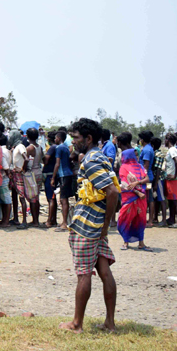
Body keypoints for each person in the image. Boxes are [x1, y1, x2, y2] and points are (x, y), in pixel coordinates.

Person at [60, 118, 119, 334]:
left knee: (84, 274)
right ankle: (110, 323)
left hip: (87, 227)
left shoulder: (91, 161)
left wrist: (105, 225)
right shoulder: (101, 157)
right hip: (97, 227)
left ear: (89, 138)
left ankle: (77, 324)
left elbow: (112, 191)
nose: (73, 142)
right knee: (104, 271)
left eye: (76, 138)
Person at [115, 133, 150, 250]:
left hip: (140, 197)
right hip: (131, 197)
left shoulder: (139, 167)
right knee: (125, 218)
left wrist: (137, 183)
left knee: (140, 219)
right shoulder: (124, 168)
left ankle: (141, 242)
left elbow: (147, 178)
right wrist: (138, 192)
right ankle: (126, 241)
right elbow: (125, 184)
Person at [52, 131, 74, 231]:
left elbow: (57, 164)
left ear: (59, 138)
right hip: (68, 174)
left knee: (63, 199)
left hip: (63, 175)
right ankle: (65, 221)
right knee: (64, 199)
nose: (54, 139)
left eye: (56, 138)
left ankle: (65, 223)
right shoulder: (66, 147)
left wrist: (53, 177)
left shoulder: (59, 148)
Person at [25, 128, 44, 227]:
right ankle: (36, 219)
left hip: (31, 173)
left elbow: (26, 161)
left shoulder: (30, 148)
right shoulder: (39, 147)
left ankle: (35, 221)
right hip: (38, 172)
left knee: (32, 197)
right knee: (36, 197)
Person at [164, 133, 177, 228]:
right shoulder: (170, 150)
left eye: (165, 140)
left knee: (175, 200)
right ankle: (172, 219)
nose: (164, 141)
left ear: (168, 140)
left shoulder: (172, 150)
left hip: (173, 179)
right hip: (169, 178)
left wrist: (175, 175)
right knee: (171, 200)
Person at [43, 131, 59, 228]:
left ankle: (49, 220)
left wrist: (42, 155)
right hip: (53, 173)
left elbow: (46, 159)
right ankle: (54, 219)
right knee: (53, 198)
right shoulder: (58, 147)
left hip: (50, 174)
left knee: (50, 198)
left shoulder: (52, 148)